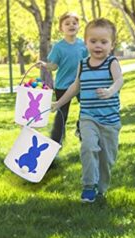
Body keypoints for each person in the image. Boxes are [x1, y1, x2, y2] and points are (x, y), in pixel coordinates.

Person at [51, 18, 123, 203]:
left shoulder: (111, 62)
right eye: (93, 41)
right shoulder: (83, 64)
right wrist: (58, 103)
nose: (98, 45)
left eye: (103, 42)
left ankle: (101, 189)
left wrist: (110, 90)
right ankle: (89, 186)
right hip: (88, 118)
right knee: (88, 147)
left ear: (111, 44)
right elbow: (75, 87)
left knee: (107, 159)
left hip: (110, 120)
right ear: (86, 41)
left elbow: (119, 81)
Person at [38, 12, 88, 145]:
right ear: (61, 28)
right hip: (63, 85)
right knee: (61, 114)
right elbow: (54, 66)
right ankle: (56, 141)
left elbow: (89, 62)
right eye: (67, 23)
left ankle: (81, 129)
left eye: (74, 23)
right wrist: (44, 65)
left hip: (81, 84)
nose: (71, 25)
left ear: (78, 26)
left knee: (87, 108)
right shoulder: (58, 47)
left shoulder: (83, 45)